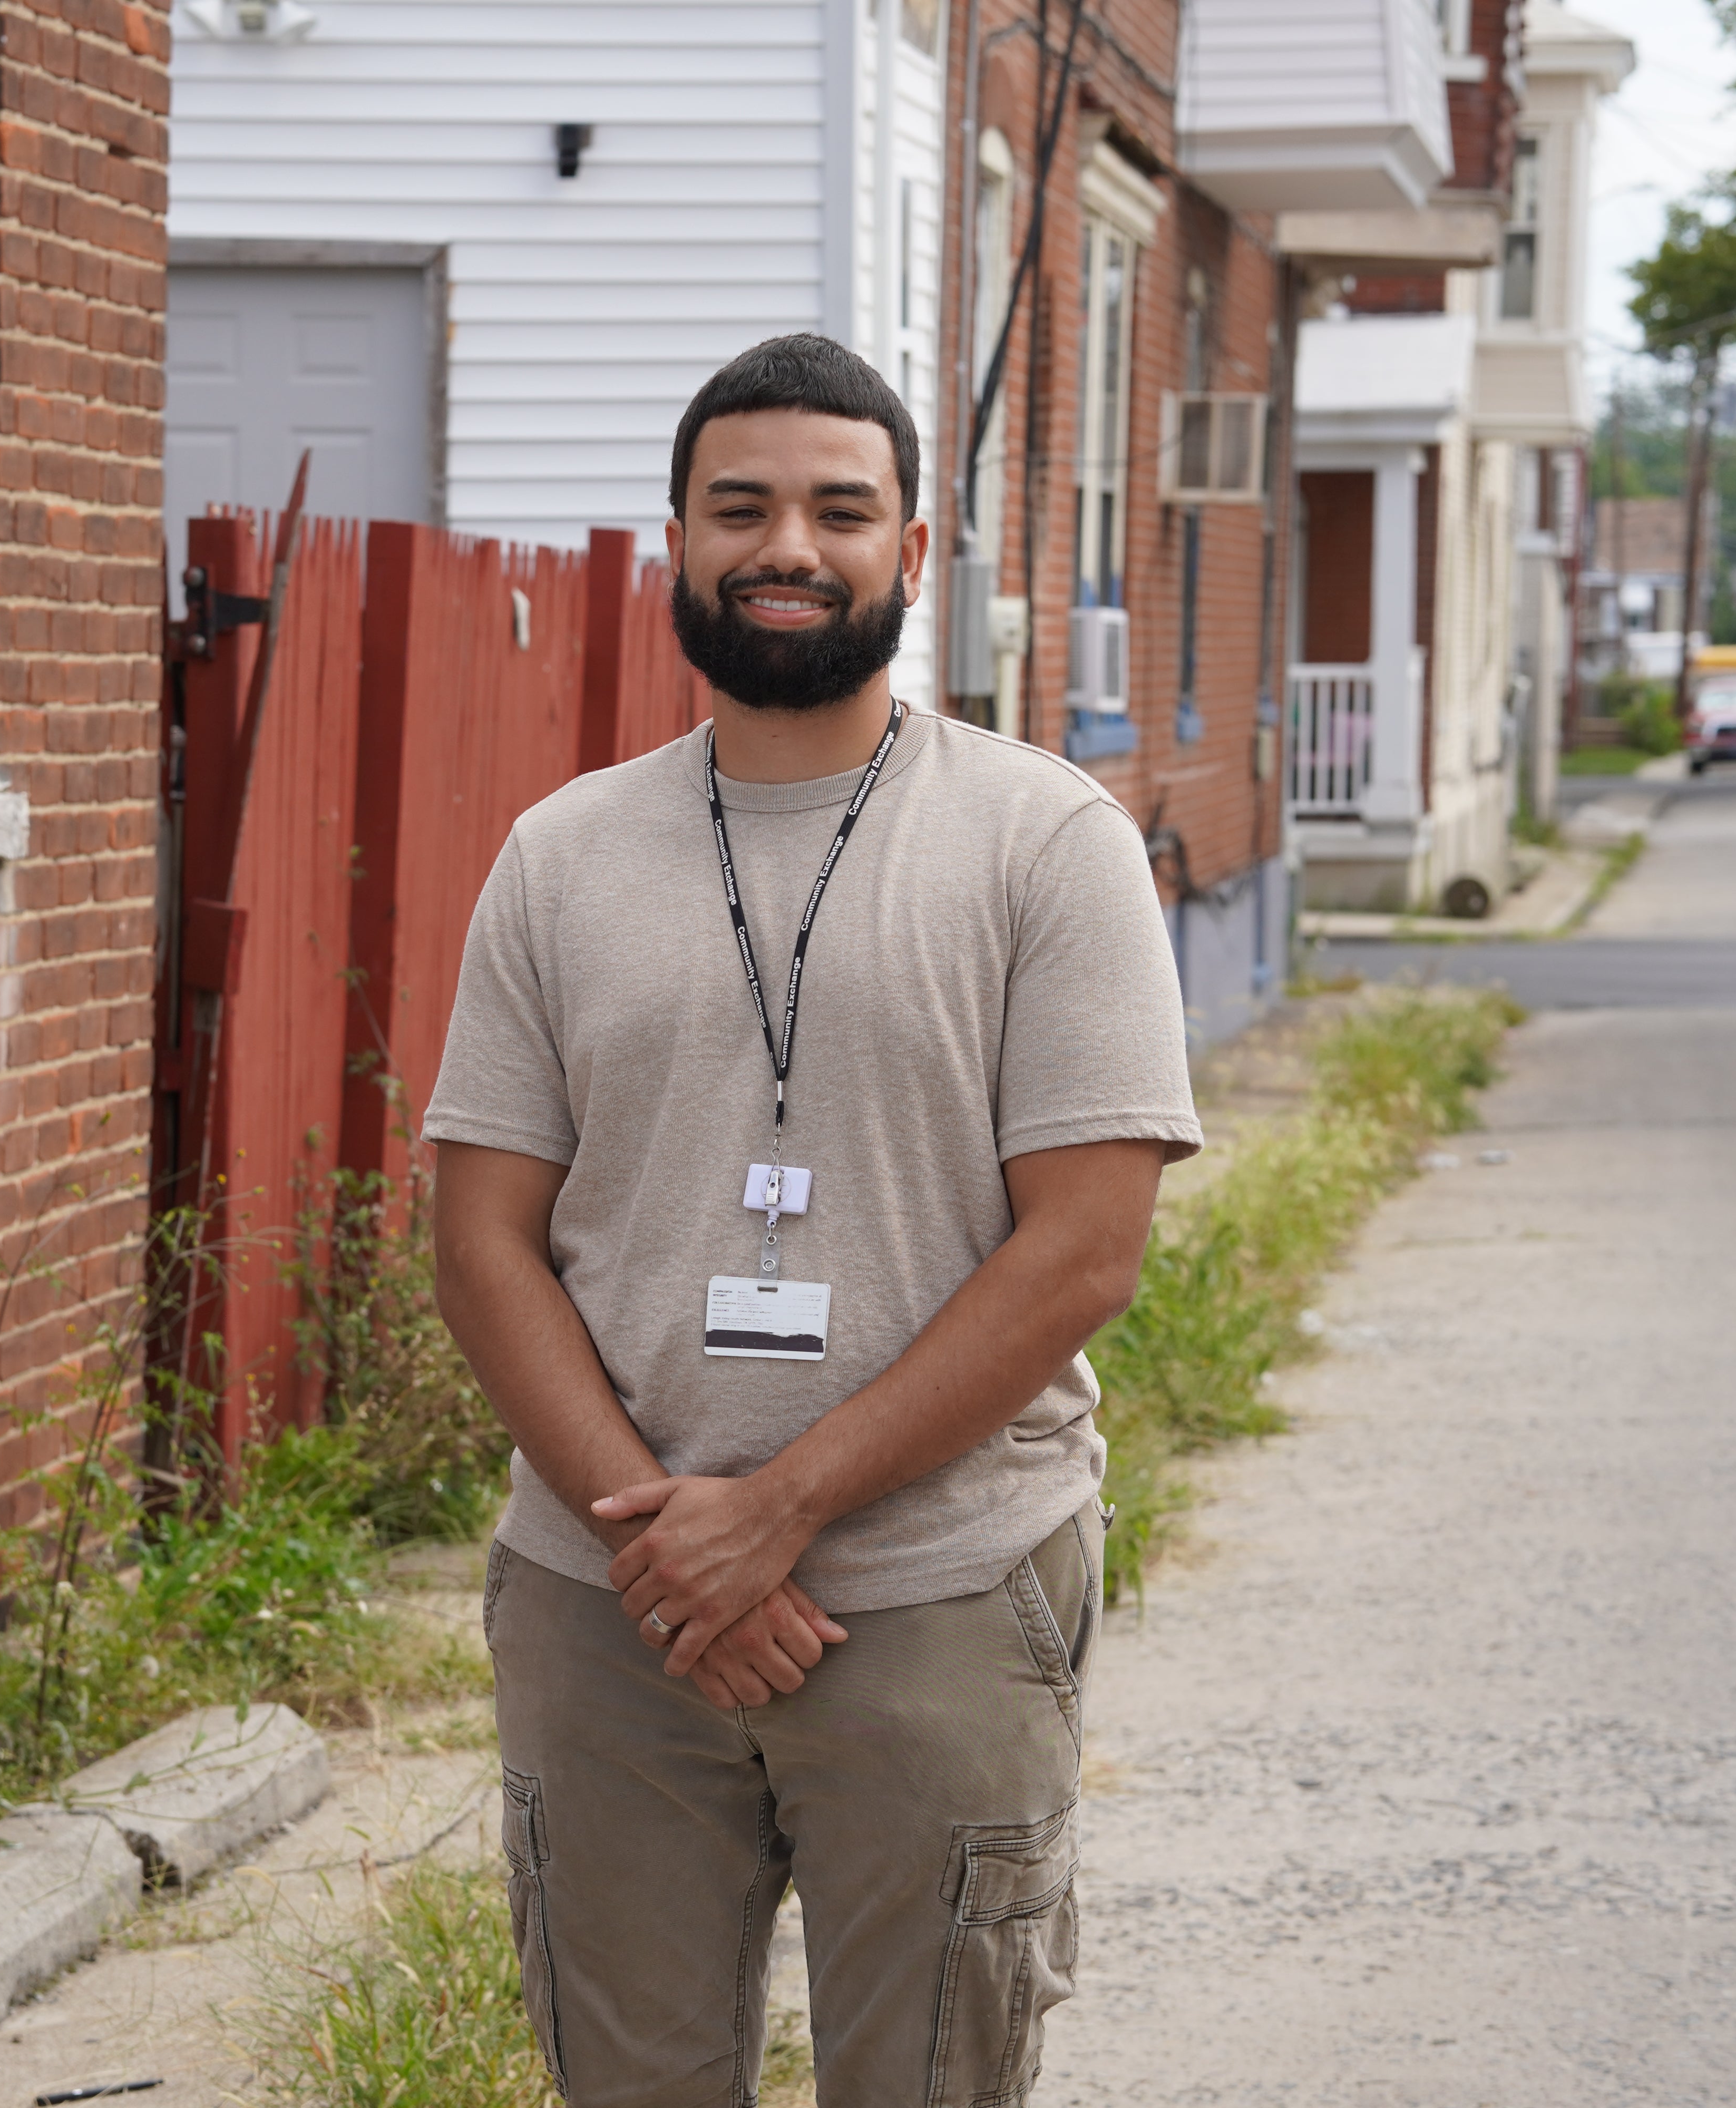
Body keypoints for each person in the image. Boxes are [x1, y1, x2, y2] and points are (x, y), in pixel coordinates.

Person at [425, 334, 1201, 2107]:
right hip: (612, 1612)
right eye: (742, 508)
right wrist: (667, 1549)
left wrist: (775, 1513)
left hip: (939, 1597)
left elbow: (1085, 1251)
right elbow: (480, 1245)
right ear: (678, 543)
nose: (790, 546)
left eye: (841, 511)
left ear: (911, 551)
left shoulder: (1046, 843)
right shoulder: (560, 857)